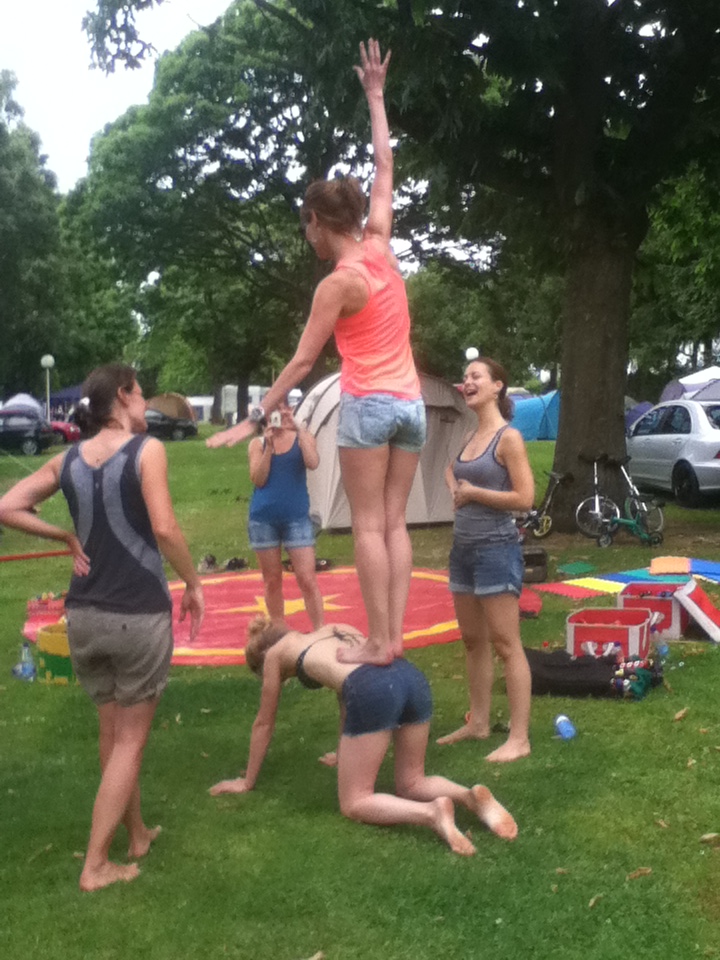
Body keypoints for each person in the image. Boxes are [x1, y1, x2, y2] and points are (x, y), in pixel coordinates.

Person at [207, 39, 425, 667]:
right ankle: (394, 636)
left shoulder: (337, 284)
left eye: (306, 228)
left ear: (318, 223)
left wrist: (252, 420)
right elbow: (385, 166)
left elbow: (302, 364)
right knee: (395, 523)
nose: (307, 238)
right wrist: (376, 96)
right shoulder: (380, 244)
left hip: (370, 406)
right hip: (411, 403)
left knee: (366, 526)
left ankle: (381, 642)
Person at [0, 363, 205, 891]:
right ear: (123, 395)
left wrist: (65, 539)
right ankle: (95, 865)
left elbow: (7, 506)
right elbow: (164, 526)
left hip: (85, 617)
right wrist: (194, 584)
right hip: (136, 614)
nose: (147, 404)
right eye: (141, 395)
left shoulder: (66, 458)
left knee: (113, 733)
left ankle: (135, 833)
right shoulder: (147, 450)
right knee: (131, 741)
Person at [209, 616, 518, 854]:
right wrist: (345, 754)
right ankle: (468, 796)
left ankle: (431, 813)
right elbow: (348, 700)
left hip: (373, 689)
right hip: (410, 678)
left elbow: (264, 722)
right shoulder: (332, 627)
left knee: (354, 801)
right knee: (413, 780)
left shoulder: (276, 654)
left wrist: (246, 781)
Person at [437, 358, 534, 763]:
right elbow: (450, 470)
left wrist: (474, 493)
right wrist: (458, 487)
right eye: (465, 376)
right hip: (463, 551)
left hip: (496, 548)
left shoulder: (507, 439)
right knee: (472, 641)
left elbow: (525, 499)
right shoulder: (471, 434)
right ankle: (478, 722)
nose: (467, 381)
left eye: (476, 376)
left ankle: (519, 738)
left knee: (506, 644)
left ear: (497, 386)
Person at [248, 399, 324, 629]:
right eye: (275, 410)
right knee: (272, 580)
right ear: (266, 416)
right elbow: (258, 479)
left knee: (307, 578)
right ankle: (279, 631)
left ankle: (320, 629)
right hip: (263, 519)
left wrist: (298, 429)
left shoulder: (303, 437)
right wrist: (269, 448)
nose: (280, 413)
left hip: (297, 517)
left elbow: (313, 463)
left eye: (284, 408)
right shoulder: (257, 444)